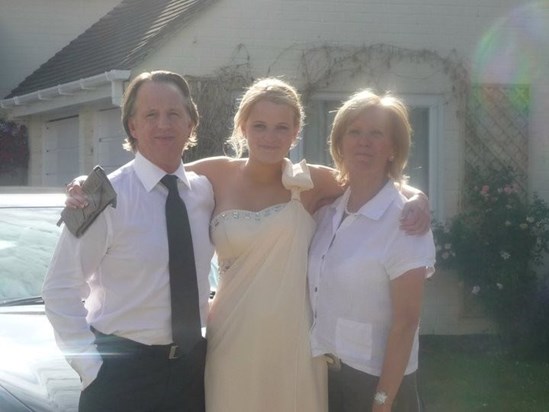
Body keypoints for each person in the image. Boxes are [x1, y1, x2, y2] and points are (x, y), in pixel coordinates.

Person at [65, 78, 431, 412]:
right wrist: (85, 183)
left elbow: (372, 183)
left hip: (295, 343)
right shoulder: (213, 174)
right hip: (231, 337)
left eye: (281, 127)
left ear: (295, 132)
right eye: (259, 126)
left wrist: (416, 197)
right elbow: (152, 171)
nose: (270, 137)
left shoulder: (309, 182)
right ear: (242, 127)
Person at [42, 71, 215, 411]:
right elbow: (60, 288)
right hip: (121, 376)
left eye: (173, 114)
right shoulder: (102, 197)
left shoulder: (206, 192)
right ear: (132, 127)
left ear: (191, 124)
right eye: (150, 115)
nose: (163, 124)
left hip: (192, 373)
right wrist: (92, 368)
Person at [307, 89, 436, 412]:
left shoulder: (405, 222)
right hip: (324, 372)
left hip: (376, 383)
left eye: (376, 134)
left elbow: (406, 322)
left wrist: (381, 402)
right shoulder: (327, 212)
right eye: (355, 132)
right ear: (340, 142)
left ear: (392, 149)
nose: (363, 141)